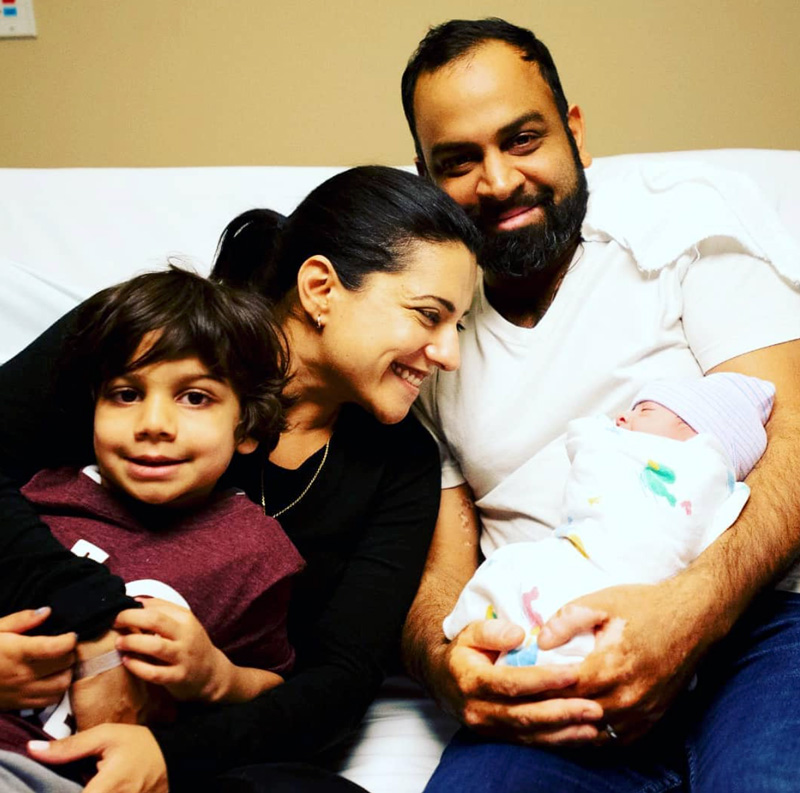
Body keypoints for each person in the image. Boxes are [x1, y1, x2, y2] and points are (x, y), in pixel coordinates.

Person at [399, 17, 800, 793]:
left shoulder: (683, 219)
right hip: (554, 651)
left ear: (575, 132)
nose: (500, 181)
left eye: (522, 139)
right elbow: (440, 558)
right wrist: (449, 664)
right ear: (424, 177)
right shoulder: (425, 321)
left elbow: (797, 436)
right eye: (459, 161)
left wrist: (689, 614)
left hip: (760, 620)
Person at [0, 165, 480, 792]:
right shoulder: (152, 341)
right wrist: (85, 612)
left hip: (219, 749)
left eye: (458, 326)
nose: (448, 353)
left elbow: (338, 682)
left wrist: (171, 753)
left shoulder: (401, 464)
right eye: (427, 315)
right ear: (319, 288)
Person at [0, 267, 305, 790]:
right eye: (125, 394)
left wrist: (217, 676)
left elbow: (274, 687)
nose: (154, 423)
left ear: (249, 425)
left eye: (195, 397)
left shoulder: (255, 554)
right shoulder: (37, 496)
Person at [444, 373, 774, 667]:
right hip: (587, 552)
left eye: (645, 411)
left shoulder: (705, 476)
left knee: (516, 570)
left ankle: (536, 647)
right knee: (515, 567)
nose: (622, 417)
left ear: (694, 432)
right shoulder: (721, 490)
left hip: (638, 586)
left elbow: (583, 437)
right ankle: (526, 644)